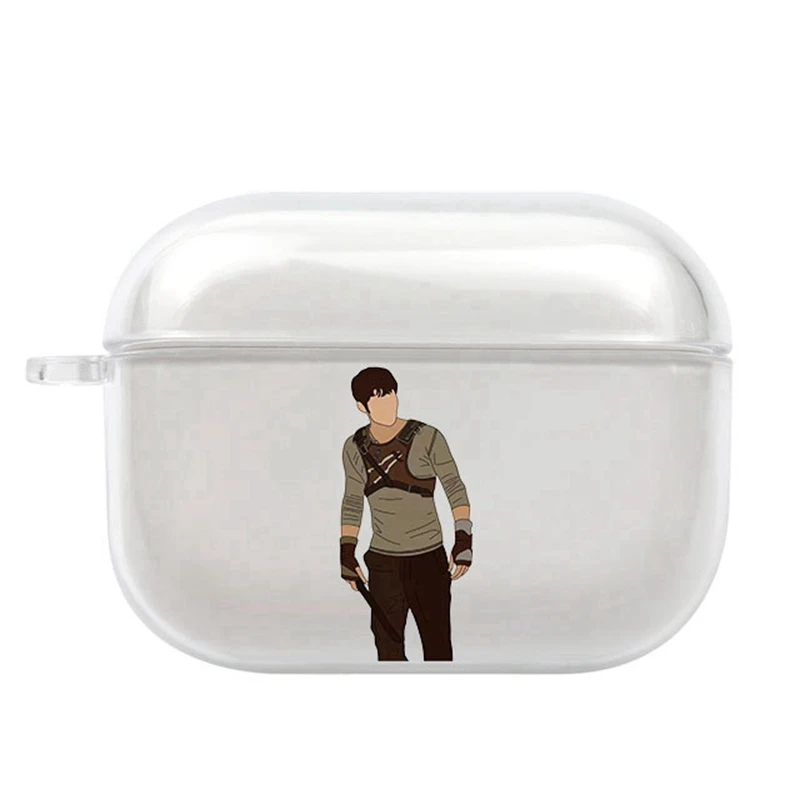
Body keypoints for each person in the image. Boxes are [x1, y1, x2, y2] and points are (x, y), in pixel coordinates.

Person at [340, 367, 473, 661]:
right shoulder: (354, 447)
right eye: (378, 398)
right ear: (362, 406)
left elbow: (454, 487)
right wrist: (347, 552)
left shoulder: (427, 437)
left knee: (438, 647)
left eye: (390, 395)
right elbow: (352, 500)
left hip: (428, 559)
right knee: (387, 649)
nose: (388, 403)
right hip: (383, 563)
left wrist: (463, 539)